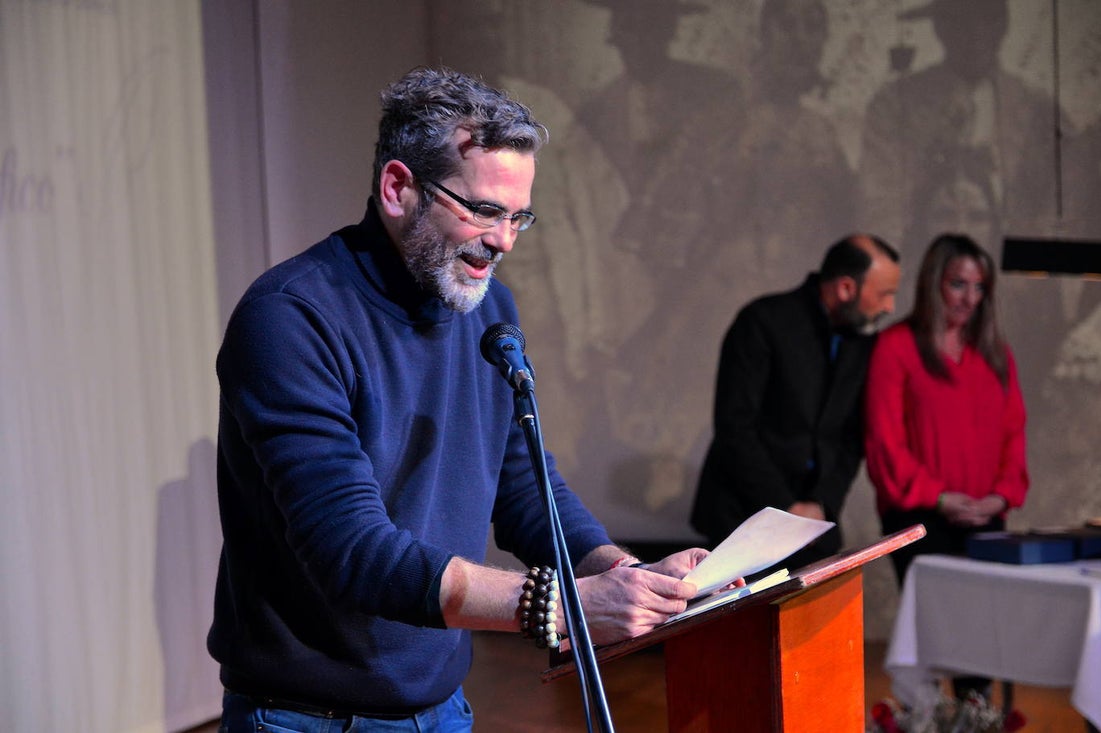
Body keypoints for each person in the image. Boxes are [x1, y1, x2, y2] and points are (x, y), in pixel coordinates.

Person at [208, 67, 708, 732]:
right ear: (397, 188)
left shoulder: (488, 308)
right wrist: (557, 605)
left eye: (518, 216)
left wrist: (630, 574)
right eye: (482, 209)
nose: (503, 240)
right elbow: (351, 549)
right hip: (307, 716)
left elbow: (525, 487)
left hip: (441, 707)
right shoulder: (290, 319)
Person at [864, 233, 1029, 701]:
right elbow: (884, 442)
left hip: (985, 519)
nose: (970, 298)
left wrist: (999, 496)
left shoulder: (994, 352)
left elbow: (1014, 434)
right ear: (934, 282)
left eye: (979, 288)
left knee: (980, 651)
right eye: (959, 284)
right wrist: (938, 496)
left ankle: (975, 721)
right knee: (939, 643)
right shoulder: (896, 348)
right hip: (920, 519)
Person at [690, 234, 902, 568]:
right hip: (741, 521)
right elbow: (735, 427)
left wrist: (822, 504)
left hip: (813, 529)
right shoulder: (763, 321)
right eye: (884, 294)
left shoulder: (862, 342)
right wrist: (785, 508)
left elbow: (851, 437)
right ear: (846, 288)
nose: (890, 307)